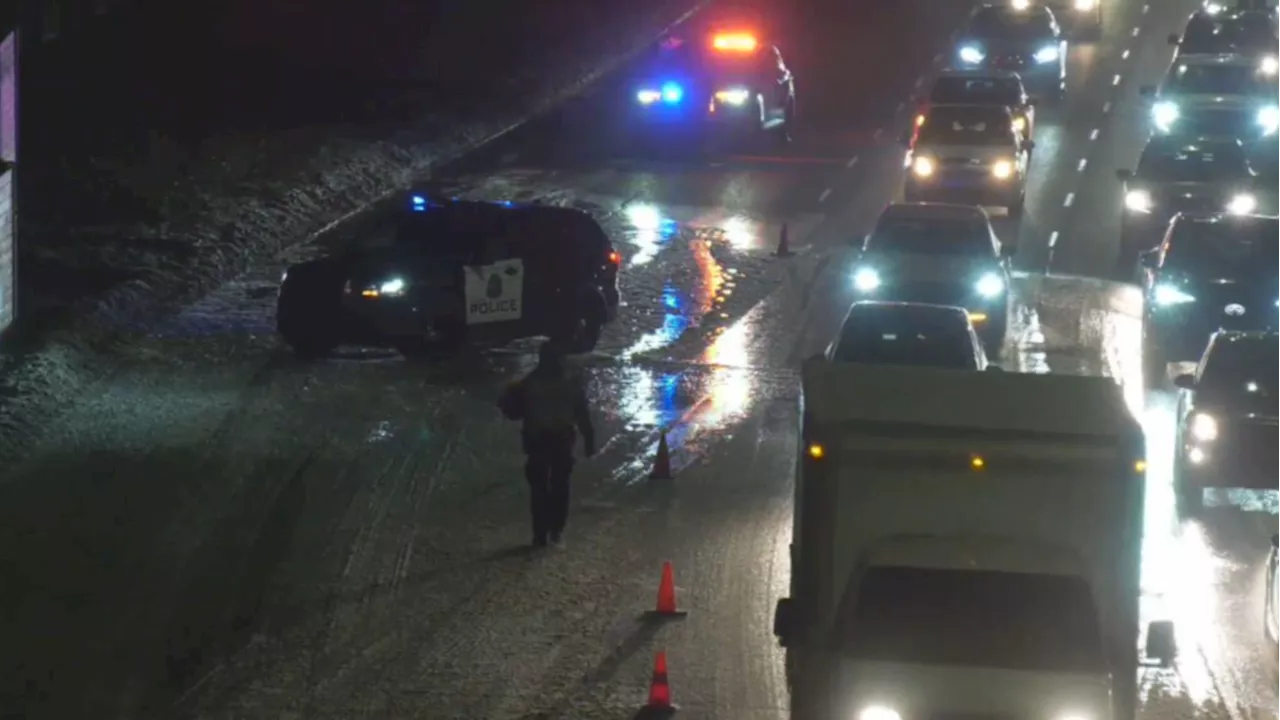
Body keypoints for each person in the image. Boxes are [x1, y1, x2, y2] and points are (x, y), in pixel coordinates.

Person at [498, 341, 596, 547]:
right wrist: (589, 439)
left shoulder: (529, 384)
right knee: (559, 486)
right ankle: (555, 530)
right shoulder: (570, 384)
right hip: (561, 441)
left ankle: (541, 533)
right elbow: (582, 414)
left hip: (538, 441)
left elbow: (512, 411)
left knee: (539, 489)